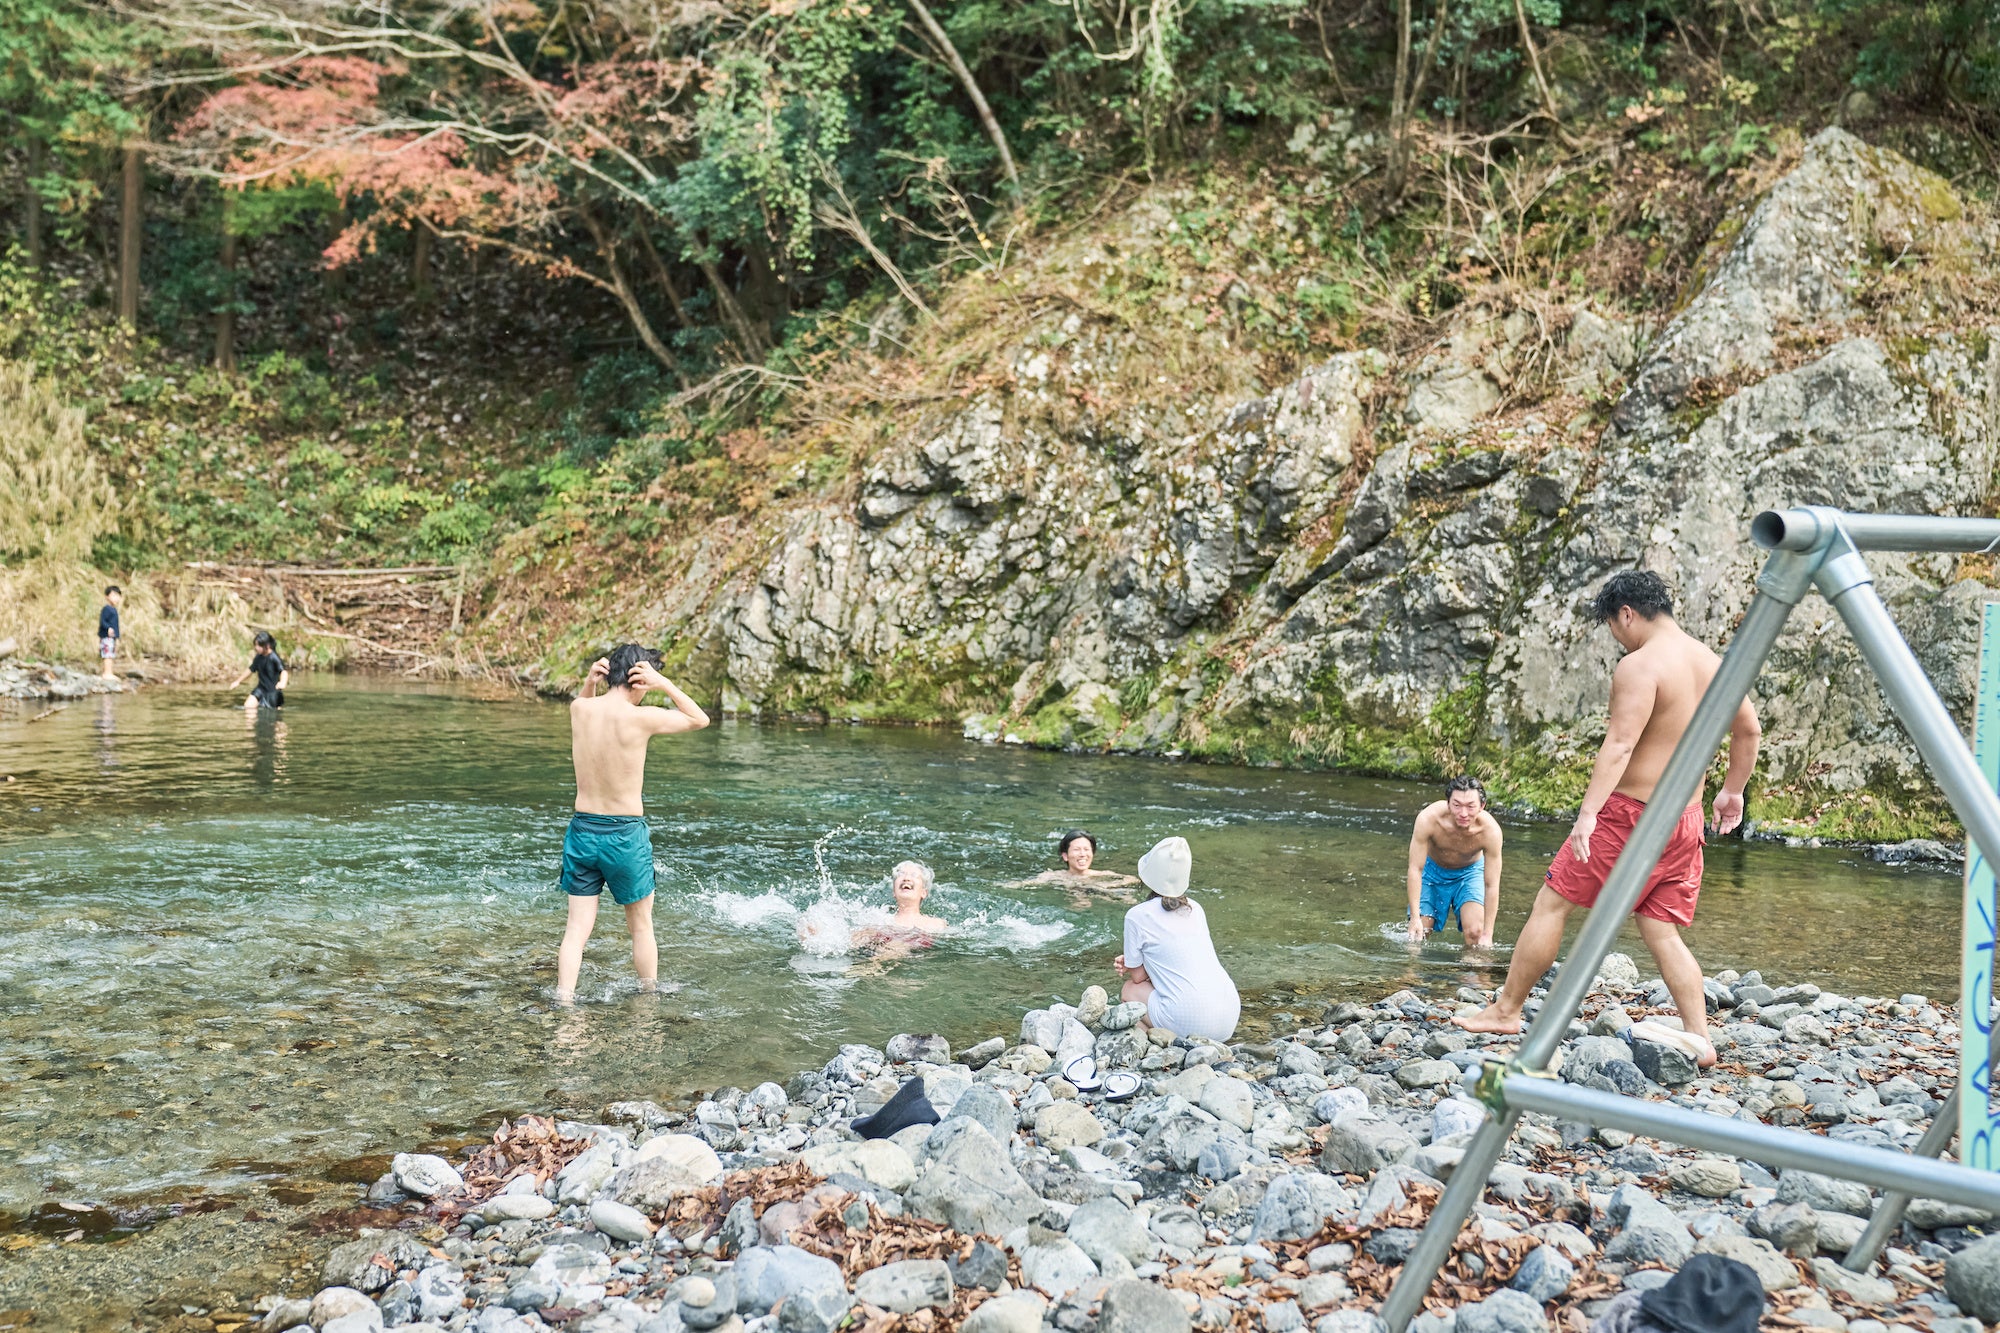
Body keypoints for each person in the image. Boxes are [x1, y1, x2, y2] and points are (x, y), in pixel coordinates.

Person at [1454, 571, 1760, 1065]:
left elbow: (1619, 745)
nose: (1617, 638)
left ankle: (1506, 1009)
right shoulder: (1714, 663)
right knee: (1660, 928)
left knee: (1551, 904)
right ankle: (1699, 1037)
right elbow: (1749, 731)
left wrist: (1589, 813)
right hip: (1686, 818)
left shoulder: (1640, 667)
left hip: (1631, 817)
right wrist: (1733, 792)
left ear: (1627, 614)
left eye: (1614, 628)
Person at [556, 643, 710, 1005]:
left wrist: (589, 684)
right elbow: (699, 719)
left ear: (608, 674)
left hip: (582, 832)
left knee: (576, 930)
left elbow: (585, 706)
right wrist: (666, 684)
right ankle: (647, 1001)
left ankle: (563, 1000)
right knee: (640, 926)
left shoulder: (580, 708)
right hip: (624, 835)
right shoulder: (640, 717)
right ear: (639, 678)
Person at [1112, 836, 1239, 1041]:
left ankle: (1154, 1042)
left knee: (1129, 990)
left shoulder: (1137, 915)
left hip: (1191, 1021)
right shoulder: (1195, 908)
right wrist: (1140, 960)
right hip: (1229, 1016)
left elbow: (1137, 978)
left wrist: (1134, 962)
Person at [1406, 775, 1502, 947]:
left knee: (1476, 934)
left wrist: (1488, 933)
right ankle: (1412, 973)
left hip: (1470, 873)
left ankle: (1469, 972)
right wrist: (1414, 918)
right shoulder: (1428, 819)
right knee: (1420, 933)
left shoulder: (1490, 831)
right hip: (1432, 871)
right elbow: (1415, 869)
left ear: (1482, 806)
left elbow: (1492, 884)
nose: (1463, 813)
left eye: (1470, 806)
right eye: (1457, 805)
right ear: (1448, 804)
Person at [848, 860, 949, 958]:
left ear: (924, 892)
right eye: (901, 874)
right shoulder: (880, 920)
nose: (906, 878)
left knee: (896, 945)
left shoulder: (936, 923)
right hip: (879, 948)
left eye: (914, 875)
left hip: (906, 951)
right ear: (894, 892)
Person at [1004, 829, 1139, 895]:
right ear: (1065, 856)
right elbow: (1027, 884)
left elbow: (1132, 880)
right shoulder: (1054, 876)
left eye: (1087, 849)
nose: (1082, 854)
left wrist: (1106, 887)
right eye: (1077, 850)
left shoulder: (1101, 875)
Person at [227, 631, 288, 710]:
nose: (256, 647)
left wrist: (283, 682)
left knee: (273, 715)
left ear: (267, 645)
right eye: (255, 645)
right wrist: (238, 681)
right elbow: (251, 669)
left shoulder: (274, 657)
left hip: (273, 692)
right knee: (248, 706)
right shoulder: (258, 657)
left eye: (259, 645)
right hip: (261, 688)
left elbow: (283, 671)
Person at [97, 586, 122, 679]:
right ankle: (107, 673)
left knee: (110, 655)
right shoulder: (106, 609)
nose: (116, 598)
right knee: (107, 655)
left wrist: (117, 637)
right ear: (107, 597)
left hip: (112, 637)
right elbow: (102, 621)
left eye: (117, 596)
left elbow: (116, 626)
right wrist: (108, 628)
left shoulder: (113, 609)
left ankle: (109, 672)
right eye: (113, 595)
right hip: (106, 636)